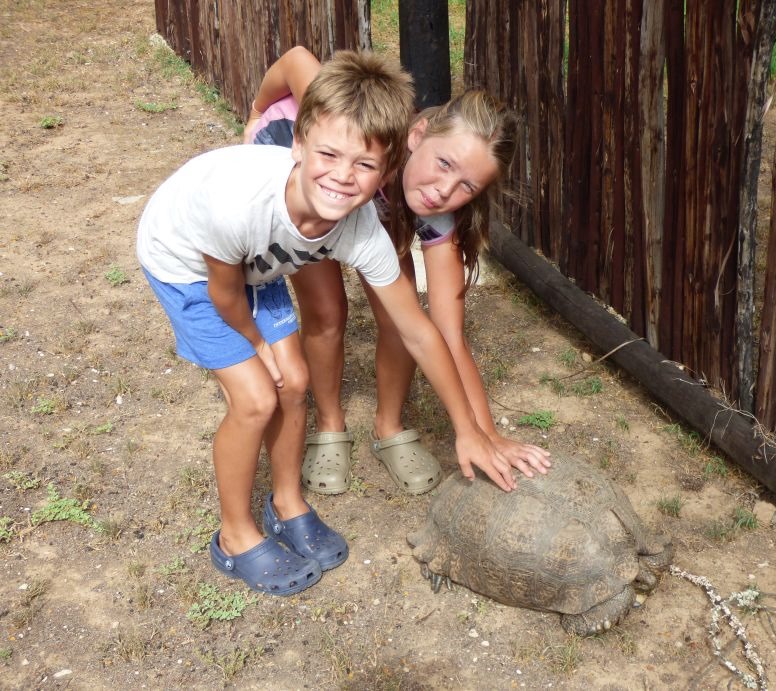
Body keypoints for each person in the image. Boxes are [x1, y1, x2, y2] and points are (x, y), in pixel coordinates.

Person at [137, 50, 513, 597]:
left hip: (258, 262)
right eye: (330, 155)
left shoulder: (361, 228)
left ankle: (287, 503)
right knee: (256, 398)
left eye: (364, 166)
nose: (343, 176)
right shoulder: (237, 203)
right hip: (190, 266)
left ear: (384, 172)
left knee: (294, 383)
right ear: (298, 143)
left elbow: (419, 330)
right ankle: (235, 536)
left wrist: (470, 431)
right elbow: (226, 292)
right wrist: (257, 347)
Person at [243, 47, 552, 497]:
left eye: (467, 186)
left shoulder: (435, 211)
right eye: (444, 163)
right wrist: (256, 111)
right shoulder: (358, 127)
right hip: (315, 184)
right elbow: (296, 59)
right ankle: (329, 424)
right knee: (326, 310)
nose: (443, 190)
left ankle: (388, 426)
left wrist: (485, 434)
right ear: (417, 134)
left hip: (381, 203)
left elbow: (447, 333)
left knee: (399, 316)